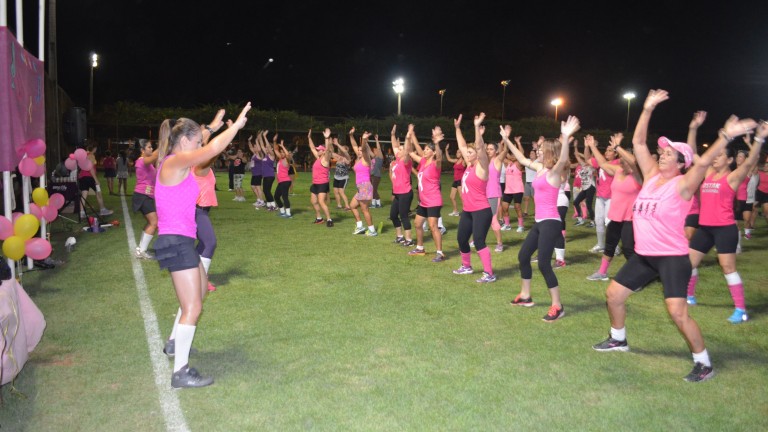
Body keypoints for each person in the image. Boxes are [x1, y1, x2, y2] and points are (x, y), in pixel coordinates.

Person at [591, 89, 756, 382]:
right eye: (664, 152)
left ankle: (703, 362)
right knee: (614, 295)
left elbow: (703, 163)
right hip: (644, 256)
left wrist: (726, 137)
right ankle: (618, 339)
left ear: (681, 163)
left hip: (672, 258)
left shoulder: (683, 184)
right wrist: (647, 107)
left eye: (670, 153)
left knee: (677, 313)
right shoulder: (652, 177)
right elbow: (639, 142)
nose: (664, 154)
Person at [155, 103, 250, 388]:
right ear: (184, 142)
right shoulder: (173, 163)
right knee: (193, 306)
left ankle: (174, 345)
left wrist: (213, 125)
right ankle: (180, 371)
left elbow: (202, 140)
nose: (200, 145)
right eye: (196, 141)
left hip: (183, 240)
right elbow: (208, 151)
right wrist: (235, 128)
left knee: (198, 293)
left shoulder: (178, 160)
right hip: (176, 241)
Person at [685, 120, 766, 322]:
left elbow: (749, 162)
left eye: (720, 155)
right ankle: (690, 296)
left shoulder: (733, 178)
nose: (715, 158)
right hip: (705, 228)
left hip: (724, 228)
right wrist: (693, 129)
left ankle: (741, 309)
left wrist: (758, 139)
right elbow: (693, 153)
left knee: (728, 268)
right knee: (690, 263)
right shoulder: (709, 173)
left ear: (729, 160)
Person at [501, 116, 580, 320]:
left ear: (550, 152)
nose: (538, 150)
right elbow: (521, 159)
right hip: (539, 222)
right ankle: (526, 295)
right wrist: (507, 139)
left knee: (544, 263)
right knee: (523, 257)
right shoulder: (540, 169)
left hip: (551, 222)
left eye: (542, 149)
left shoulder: (555, 173)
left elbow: (563, 160)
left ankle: (558, 305)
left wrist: (565, 136)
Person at [584, 133, 642, 281]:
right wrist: (592, 146)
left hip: (631, 218)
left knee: (629, 249)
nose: (622, 161)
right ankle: (602, 272)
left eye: (625, 158)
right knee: (609, 246)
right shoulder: (618, 171)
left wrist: (617, 146)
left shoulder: (638, 175)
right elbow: (602, 164)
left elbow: (634, 161)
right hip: (615, 216)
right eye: (621, 158)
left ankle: (637, 277)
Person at [452, 113, 496, 283]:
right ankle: (466, 266)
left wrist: (477, 127)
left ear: (477, 154)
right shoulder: (469, 165)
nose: (467, 154)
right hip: (468, 210)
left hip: (481, 210)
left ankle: (489, 273)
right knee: (461, 239)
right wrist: (457, 128)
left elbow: (479, 147)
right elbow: (462, 144)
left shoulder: (482, 166)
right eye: (467, 153)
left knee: (478, 241)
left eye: (471, 152)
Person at [194, 109, 226, 292]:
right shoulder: (200, 165)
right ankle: (201, 281)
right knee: (210, 242)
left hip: (201, 210)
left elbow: (205, 143)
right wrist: (220, 145)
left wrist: (213, 127)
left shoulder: (198, 161)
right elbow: (210, 151)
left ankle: (195, 274)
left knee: (203, 243)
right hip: (197, 210)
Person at [408, 126, 445, 262]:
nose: (425, 151)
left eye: (428, 149)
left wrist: (436, 143)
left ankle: (440, 253)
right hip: (424, 201)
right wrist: (411, 134)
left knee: (433, 226)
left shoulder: (436, 164)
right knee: (417, 224)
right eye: (425, 149)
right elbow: (413, 150)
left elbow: (440, 158)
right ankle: (420, 248)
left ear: (433, 153)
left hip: (433, 200)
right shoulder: (423, 162)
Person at [589, 133, 620, 253]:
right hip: (600, 197)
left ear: (615, 153)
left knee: (610, 222)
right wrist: (588, 147)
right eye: (606, 150)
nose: (607, 153)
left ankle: (615, 246)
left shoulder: (617, 163)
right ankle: (601, 244)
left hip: (611, 197)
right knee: (598, 220)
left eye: (610, 151)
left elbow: (605, 166)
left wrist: (593, 146)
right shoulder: (602, 162)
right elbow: (588, 159)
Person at [132, 140, 159, 259]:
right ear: (142, 150)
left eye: (152, 147)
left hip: (147, 196)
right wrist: (165, 143)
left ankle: (140, 248)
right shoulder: (141, 161)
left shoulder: (149, 164)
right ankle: (142, 250)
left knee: (151, 222)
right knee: (154, 223)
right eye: (149, 147)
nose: (151, 149)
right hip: (143, 195)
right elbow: (154, 156)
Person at [348, 128, 378, 236]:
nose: (359, 151)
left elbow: (364, 150)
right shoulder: (359, 158)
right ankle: (360, 226)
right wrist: (351, 136)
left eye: (361, 150)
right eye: (358, 151)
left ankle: (372, 230)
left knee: (364, 209)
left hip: (365, 186)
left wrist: (364, 141)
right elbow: (354, 146)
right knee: (352, 206)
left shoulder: (366, 159)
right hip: (360, 187)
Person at [389, 124, 415, 246]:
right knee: (393, 215)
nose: (397, 150)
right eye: (397, 150)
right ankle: (400, 236)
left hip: (405, 192)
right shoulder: (396, 161)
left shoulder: (406, 162)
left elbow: (406, 150)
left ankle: (409, 239)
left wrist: (408, 137)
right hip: (398, 193)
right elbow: (394, 145)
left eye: (400, 149)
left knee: (404, 215)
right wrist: (392, 134)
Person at [485, 134, 508, 253]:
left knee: (493, 219)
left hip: (494, 194)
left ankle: (500, 243)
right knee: (482, 218)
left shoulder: (497, 160)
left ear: (496, 150)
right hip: (484, 194)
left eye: (491, 149)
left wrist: (505, 139)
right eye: (487, 149)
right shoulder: (486, 162)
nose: (489, 151)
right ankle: (478, 239)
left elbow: (505, 151)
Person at [308, 128, 335, 227]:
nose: (317, 150)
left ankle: (329, 219)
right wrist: (309, 137)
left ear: (323, 151)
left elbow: (328, 150)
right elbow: (311, 148)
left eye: (319, 149)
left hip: (322, 184)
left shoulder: (325, 159)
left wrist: (327, 138)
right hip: (315, 183)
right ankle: (319, 218)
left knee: (321, 201)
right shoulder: (318, 158)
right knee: (313, 201)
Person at [77, 146, 113, 219]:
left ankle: (82, 213)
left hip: (82, 177)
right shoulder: (91, 155)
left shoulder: (84, 155)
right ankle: (102, 210)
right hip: (89, 177)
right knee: (98, 192)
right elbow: (91, 168)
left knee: (84, 195)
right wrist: (96, 179)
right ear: (94, 148)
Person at [501, 136, 525, 232]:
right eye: (512, 154)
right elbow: (502, 154)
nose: (513, 156)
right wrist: (504, 140)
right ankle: (507, 225)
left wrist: (518, 143)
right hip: (508, 189)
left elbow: (521, 154)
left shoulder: (518, 164)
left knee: (517, 207)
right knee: (504, 207)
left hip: (518, 189)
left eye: (515, 155)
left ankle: (521, 225)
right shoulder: (507, 163)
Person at [573, 141, 596, 228]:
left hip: (591, 187)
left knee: (589, 205)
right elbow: (577, 155)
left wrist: (592, 146)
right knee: (576, 202)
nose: (586, 160)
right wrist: (575, 146)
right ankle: (580, 219)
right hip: (584, 188)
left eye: (588, 159)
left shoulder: (591, 167)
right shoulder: (583, 165)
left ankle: (593, 222)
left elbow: (591, 156)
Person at [273, 139, 294, 218]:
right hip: (281, 182)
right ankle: (282, 211)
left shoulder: (286, 160)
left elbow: (288, 154)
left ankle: (288, 214)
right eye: (281, 152)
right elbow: (275, 149)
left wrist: (282, 146)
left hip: (285, 181)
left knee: (284, 197)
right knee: (276, 197)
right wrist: (275, 141)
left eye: (282, 152)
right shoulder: (280, 159)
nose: (281, 154)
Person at [445, 145, 466, 216]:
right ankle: (455, 211)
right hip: (455, 180)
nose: (457, 153)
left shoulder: (464, 161)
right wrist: (446, 150)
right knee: (452, 196)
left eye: (459, 152)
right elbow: (448, 159)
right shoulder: (456, 161)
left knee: (461, 197)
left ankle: (465, 211)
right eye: (457, 152)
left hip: (461, 181)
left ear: (462, 153)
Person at [258, 130, 277, 211]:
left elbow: (268, 146)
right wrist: (260, 137)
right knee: (265, 191)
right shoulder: (266, 155)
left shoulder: (272, 155)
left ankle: (273, 205)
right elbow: (262, 145)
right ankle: (269, 205)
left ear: (271, 149)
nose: (266, 148)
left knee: (267, 191)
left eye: (267, 148)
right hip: (265, 176)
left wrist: (265, 136)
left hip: (270, 175)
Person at [331, 138, 352, 211]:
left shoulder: (347, 158)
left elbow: (345, 152)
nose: (340, 149)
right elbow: (331, 152)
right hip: (336, 177)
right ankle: (339, 205)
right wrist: (329, 142)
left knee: (341, 191)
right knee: (336, 191)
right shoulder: (338, 157)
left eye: (342, 148)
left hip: (343, 178)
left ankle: (347, 206)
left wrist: (337, 144)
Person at [247, 134, 266, 208]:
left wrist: (256, 140)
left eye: (255, 147)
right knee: (253, 186)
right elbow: (250, 147)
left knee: (258, 187)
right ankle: (258, 199)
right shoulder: (254, 154)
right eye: (254, 147)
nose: (254, 147)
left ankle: (262, 201)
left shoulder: (260, 155)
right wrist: (249, 141)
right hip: (254, 174)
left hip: (258, 173)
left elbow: (259, 149)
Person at [370, 134, 385, 208]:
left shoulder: (380, 158)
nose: (374, 150)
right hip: (372, 175)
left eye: (375, 150)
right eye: (374, 150)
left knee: (373, 190)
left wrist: (376, 140)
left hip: (376, 176)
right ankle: (377, 203)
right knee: (373, 190)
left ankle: (375, 203)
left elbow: (379, 149)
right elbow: (368, 151)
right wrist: (365, 142)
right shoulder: (374, 157)